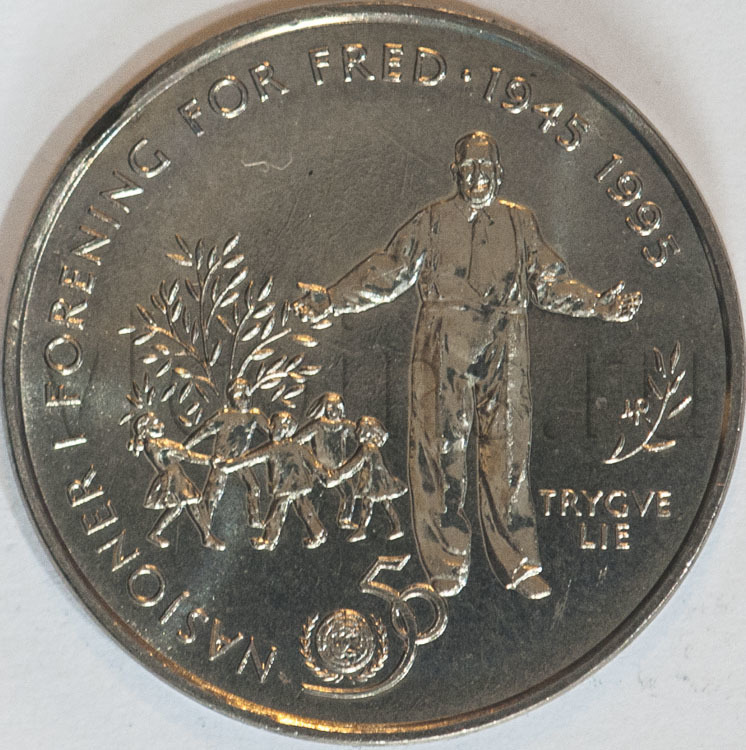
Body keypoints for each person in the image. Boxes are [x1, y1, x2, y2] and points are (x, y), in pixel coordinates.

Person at [293, 131, 642, 599]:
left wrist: (598, 304)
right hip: (442, 335)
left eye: (485, 168)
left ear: (499, 173)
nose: (477, 177)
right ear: (455, 173)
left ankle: (520, 563)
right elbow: (389, 269)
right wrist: (334, 299)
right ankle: (446, 564)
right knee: (438, 450)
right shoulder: (433, 219)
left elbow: (549, 282)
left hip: (505, 336)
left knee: (509, 449)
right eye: (469, 168)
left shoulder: (520, 222)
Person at [220, 411, 329, 551]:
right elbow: (250, 458)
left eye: (274, 425)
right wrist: (230, 465)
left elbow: (250, 458)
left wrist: (229, 465)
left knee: (280, 509)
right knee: (299, 508)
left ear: (284, 428)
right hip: (293, 485)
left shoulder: (279, 448)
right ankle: (317, 533)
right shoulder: (291, 446)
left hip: (290, 485)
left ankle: (271, 540)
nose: (270, 427)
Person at [128, 412, 224, 550]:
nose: (162, 425)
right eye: (156, 423)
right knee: (189, 502)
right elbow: (188, 455)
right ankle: (206, 536)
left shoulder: (148, 445)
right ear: (146, 429)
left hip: (170, 477)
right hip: (175, 478)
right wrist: (209, 460)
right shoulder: (160, 443)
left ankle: (155, 534)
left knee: (178, 507)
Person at [185, 378, 268, 533]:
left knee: (254, 487)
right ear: (232, 398)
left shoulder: (254, 416)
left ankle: (254, 519)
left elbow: (273, 431)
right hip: (222, 460)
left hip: (240, 460)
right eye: (239, 395)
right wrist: (185, 447)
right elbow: (203, 431)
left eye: (246, 394)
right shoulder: (224, 416)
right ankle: (205, 522)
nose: (244, 399)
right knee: (213, 494)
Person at [328, 416, 407, 543]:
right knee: (384, 502)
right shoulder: (371, 447)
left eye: (360, 429)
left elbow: (354, 464)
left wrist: (339, 473)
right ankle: (395, 527)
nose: (356, 432)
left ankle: (363, 530)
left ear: (368, 432)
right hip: (376, 480)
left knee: (369, 503)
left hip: (374, 481)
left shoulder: (366, 448)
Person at [295, 392, 358, 530]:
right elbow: (297, 441)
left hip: (339, 469)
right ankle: (311, 523)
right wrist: (310, 462)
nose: (334, 412)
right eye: (330, 408)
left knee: (349, 492)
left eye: (337, 408)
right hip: (319, 470)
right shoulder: (317, 425)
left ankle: (345, 519)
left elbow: (360, 434)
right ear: (324, 409)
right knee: (313, 497)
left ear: (341, 409)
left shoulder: (344, 425)